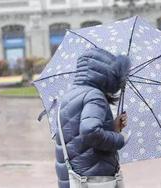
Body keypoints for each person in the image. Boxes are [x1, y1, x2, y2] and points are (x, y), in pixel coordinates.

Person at [55, 48, 131, 188]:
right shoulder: (94, 96)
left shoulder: (69, 96)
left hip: (73, 179)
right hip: (93, 180)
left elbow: (76, 137)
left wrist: (114, 127)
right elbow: (90, 132)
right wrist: (120, 139)